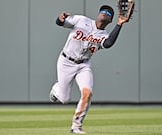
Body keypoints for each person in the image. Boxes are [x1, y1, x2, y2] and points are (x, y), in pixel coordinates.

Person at [50, 4, 131, 134]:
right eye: (103, 11)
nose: (105, 13)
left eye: (109, 13)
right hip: (66, 62)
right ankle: (56, 89)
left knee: (87, 94)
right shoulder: (81, 20)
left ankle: (76, 126)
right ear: (98, 14)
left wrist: (120, 24)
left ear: (110, 21)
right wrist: (60, 19)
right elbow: (60, 23)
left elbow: (108, 43)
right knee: (64, 99)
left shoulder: (104, 35)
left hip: (84, 65)